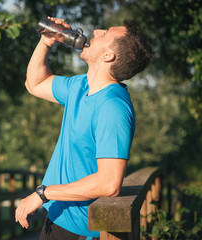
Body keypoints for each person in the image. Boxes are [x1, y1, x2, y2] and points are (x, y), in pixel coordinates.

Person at [15, 17, 153, 240]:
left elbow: (109, 183)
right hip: (58, 217)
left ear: (108, 56)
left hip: (82, 229)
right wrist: (46, 43)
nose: (96, 30)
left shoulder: (113, 107)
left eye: (105, 33)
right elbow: (35, 84)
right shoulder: (80, 86)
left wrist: (43, 193)